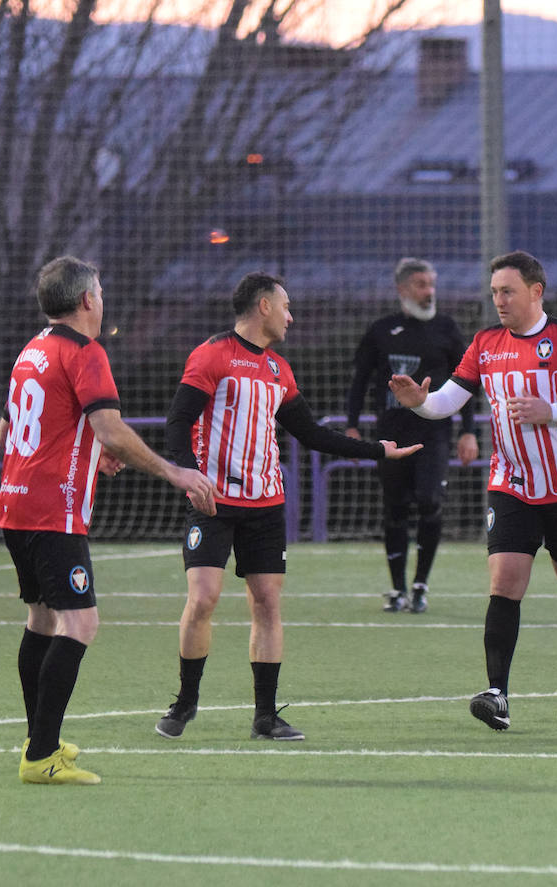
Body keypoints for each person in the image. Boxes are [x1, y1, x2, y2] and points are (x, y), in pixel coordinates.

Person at [154, 272, 421, 742]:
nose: (291, 315)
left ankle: (265, 716)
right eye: (286, 306)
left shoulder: (279, 370)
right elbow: (179, 422)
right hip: (213, 501)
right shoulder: (212, 355)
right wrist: (187, 472)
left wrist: (378, 449)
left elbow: (312, 433)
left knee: (268, 603)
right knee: (203, 599)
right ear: (263, 307)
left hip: (266, 504)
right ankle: (186, 702)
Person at [0, 256, 217, 785]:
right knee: (81, 624)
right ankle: (41, 756)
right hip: (54, 512)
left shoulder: (32, 349)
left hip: (15, 503)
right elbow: (111, 428)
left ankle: (38, 740)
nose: (102, 297)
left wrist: (86, 452)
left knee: (43, 621)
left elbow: (9, 435)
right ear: (87, 301)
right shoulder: (84, 351)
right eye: (99, 290)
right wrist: (175, 472)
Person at [388, 250, 557, 730]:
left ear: (536, 291)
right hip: (511, 483)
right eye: (494, 291)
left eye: (508, 291)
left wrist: (552, 411)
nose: (499, 300)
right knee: (504, 583)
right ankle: (498, 694)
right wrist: (420, 403)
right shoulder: (486, 343)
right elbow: (448, 400)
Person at [344, 258, 478, 614]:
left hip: (434, 434)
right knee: (395, 508)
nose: (428, 291)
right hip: (390, 435)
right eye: (420, 284)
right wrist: (353, 425)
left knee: (430, 500)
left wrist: (468, 431)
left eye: (431, 283)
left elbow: (465, 383)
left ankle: (421, 584)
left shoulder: (447, 329)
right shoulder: (381, 331)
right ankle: (398, 588)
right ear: (402, 289)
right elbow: (359, 381)